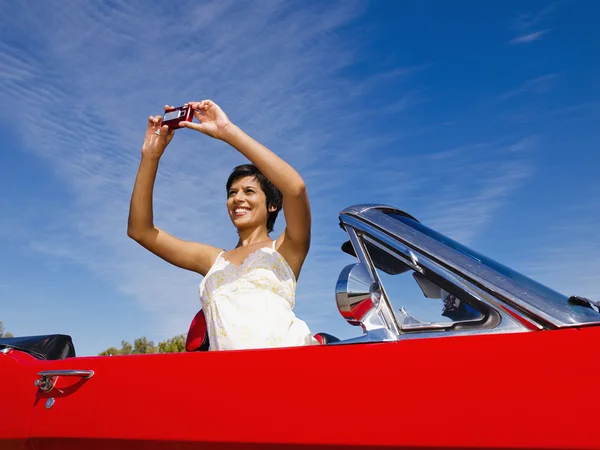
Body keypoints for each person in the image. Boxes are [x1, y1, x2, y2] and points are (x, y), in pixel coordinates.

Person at [128, 99, 317, 350]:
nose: (237, 198)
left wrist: (227, 131)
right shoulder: (213, 261)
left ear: (273, 205)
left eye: (249, 191)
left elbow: (295, 188)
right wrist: (150, 157)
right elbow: (140, 231)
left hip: (289, 371)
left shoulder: (287, 248)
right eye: (231, 192)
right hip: (230, 380)